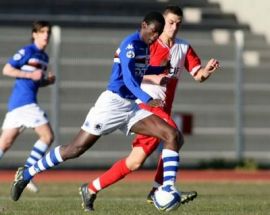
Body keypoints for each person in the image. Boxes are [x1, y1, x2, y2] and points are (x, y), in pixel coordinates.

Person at [10, 11, 183, 212]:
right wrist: (147, 99)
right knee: (75, 149)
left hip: (130, 107)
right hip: (111, 105)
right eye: (153, 32)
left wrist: (157, 71)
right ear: (143, 25)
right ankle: (28, 173)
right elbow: (128, 78)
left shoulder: (145, 46)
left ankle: (167, 188)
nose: (155, 37)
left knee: (171, 134)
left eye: (158, 33)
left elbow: (140, 71)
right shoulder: (130, 44)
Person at [83, 4, 220, 208]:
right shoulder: (148, 45)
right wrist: (154, 78)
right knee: (174, 136)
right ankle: (163, 189)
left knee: (135, 162)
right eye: (171, 23)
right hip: (145, 108)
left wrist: (206, 72)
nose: (174, 28)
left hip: (162, 110)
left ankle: (91, 188)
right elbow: (131, 73)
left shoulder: (183, 47)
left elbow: (197, 75)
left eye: (178, 24)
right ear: (163, 24)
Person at [0, 20, 55, 193]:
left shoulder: (44, 57)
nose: (46, 35)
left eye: (48, 32)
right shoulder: (27, 51)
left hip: (19, 104)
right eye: (43, 32)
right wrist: (30, 74)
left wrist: (46, 81)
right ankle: (26, 174)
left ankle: (26, 175)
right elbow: (7, 69)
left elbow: (35, 82)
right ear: (34, 34)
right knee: (47, 136)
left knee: (4, 143)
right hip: (24, 103)